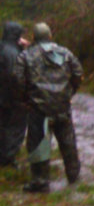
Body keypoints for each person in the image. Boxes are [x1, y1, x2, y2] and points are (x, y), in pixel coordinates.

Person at [13, 22, 83, 193]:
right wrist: (69, 93)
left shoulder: (26, 56)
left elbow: (18, 79)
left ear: (34, 38)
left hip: (39, 109)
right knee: (68, 142)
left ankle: (40, 181)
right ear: (50, 35)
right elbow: (78, 73)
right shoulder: (65, 52)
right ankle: (73, 175)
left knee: (38, 144)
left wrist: (25, 99)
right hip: (62, 106)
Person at [0, 22, 28, 168]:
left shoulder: (4, 47)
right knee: (15, 128)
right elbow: (15, 76)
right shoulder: (12, 53)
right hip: (10, 98)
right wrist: (22, 97)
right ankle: (7, 159)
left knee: (3, 126)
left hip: (3, 97)